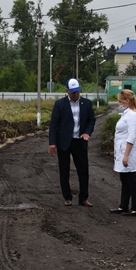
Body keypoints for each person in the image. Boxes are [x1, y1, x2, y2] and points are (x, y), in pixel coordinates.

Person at [48, 78, 96, 207]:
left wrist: (87, 132)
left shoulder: (86, 104)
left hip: (80, 141)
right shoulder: (60, 104)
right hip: (64, 142)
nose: (76, 94)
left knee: (83, 170)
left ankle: (83, 198)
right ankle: (67, 197)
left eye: (77, 92)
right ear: (67, 91)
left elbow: (92, 120)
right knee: (64, 170)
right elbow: (54, 124)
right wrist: (52, 142)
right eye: (73, 92)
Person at [110, 89, 136, 217]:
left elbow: (132, 136)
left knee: (131, 179)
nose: (119, 104)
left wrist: (126, 155)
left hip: (128, 151)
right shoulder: (127, 113)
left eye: (121, 101)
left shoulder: (133, 115)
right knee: (124, 179)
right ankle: (123, 206)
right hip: (122, 150)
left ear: (127, 101)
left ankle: (135, 208)